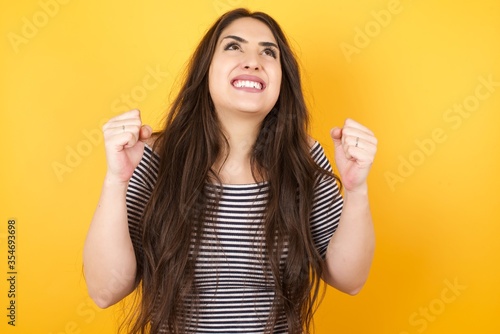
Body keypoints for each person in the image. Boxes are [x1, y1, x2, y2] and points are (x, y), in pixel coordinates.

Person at [83, 8, 377, 334]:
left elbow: (349, 280)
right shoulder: (156, 156)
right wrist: (116, 180)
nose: (253, 60)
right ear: (205, 70)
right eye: (233, 46)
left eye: (269, 52)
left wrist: (356, 189)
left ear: (283, 80)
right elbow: (105, 291)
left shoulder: (302, 158)